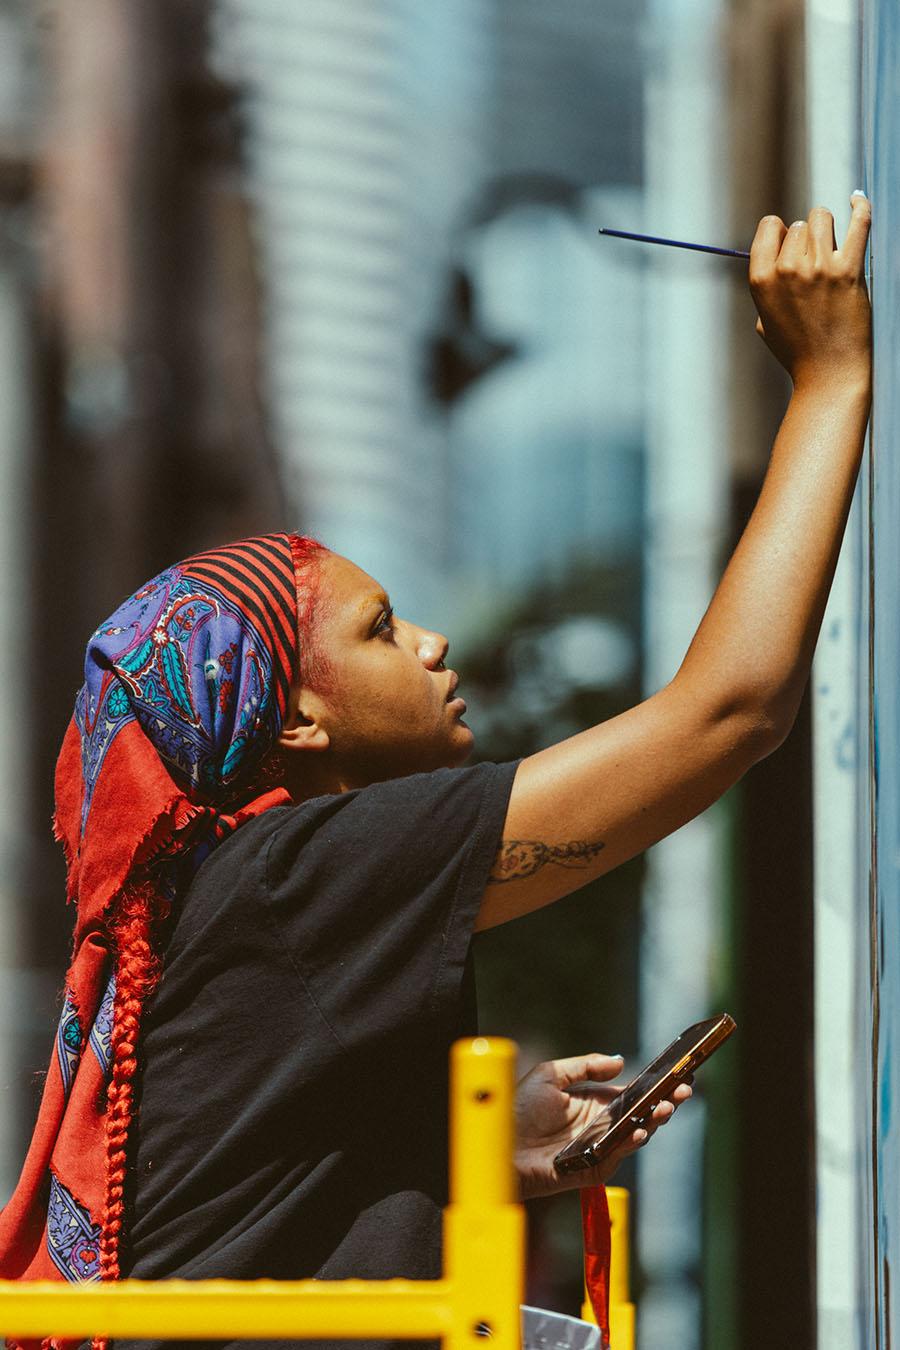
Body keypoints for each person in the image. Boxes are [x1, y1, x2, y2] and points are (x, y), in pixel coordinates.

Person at [0, 193, 871, 1349]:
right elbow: (729, 713)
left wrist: (467, 1155)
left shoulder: (228, 906)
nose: (431, 643)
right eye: (380, 629)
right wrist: (831, 380)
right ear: (297, 721)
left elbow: (242, 1209)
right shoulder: (288, 878)